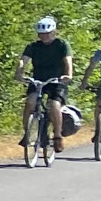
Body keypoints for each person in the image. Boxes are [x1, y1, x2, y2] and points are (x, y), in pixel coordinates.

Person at [22, 16, 74, 154]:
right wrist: (19, 73)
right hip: (38, 80)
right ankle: (27, 133)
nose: (44, 36)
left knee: (54, 106)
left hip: (57, 80)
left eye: (47, 33)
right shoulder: (33, 46)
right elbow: (23, 61)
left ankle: (57, 136)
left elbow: (68, 61)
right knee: (30, 102)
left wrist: (68, 75)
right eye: (41, 34)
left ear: (54, 32)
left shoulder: (62, 45)